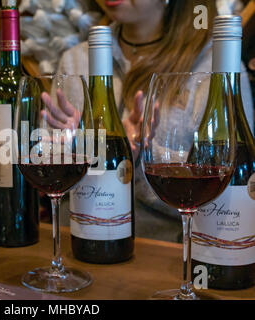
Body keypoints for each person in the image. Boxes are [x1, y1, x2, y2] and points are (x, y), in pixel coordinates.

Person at [54, 0, 254, 242]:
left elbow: (233, 188)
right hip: (79, 240)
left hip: (165, 251)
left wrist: (130, 156)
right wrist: (74, 152)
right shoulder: (76, 61)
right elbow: (51, 177)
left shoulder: (214, 62)